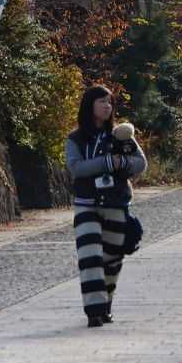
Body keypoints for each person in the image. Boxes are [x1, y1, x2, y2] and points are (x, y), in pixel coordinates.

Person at [66, 85, 147, 328]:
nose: (107, 106)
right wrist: (107, 163)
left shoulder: (120, 136)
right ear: (89, 105)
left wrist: (121, 163)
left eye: (110, 102)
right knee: (90, 257)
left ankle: (107, 305)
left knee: (112, 259)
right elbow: (76, 168)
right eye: (102, 101)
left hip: (115, 202)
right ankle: (94, 311)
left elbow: (141, 163)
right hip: (86, 203)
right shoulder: (76, 138)